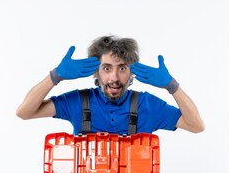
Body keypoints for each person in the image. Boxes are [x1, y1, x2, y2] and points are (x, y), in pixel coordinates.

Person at [16, 35, 205, 135]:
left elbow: (196, 126)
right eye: (106, 68)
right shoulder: (78, 102)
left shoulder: (148, 105)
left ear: (132, 73)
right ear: (96, 72)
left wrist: (172, 87)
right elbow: (25, 112)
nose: (114, 77)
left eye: (122, 68)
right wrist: (54, 77)